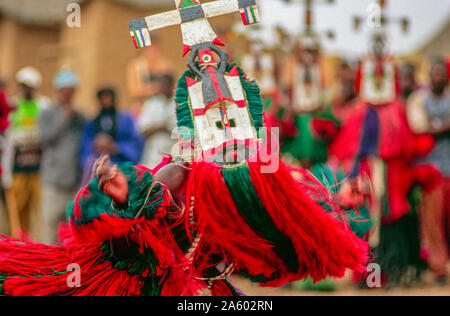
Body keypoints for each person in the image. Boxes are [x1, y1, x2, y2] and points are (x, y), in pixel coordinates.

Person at [407, 58, 450, 284]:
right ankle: (439, 267)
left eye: (442, 73)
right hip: (431, 172)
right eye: (435, 73)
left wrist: (436, 127)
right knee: (433, 224)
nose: (438, 77)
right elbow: (420, 127)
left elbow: (431, 128)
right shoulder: (419, 100)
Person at [1, 67, 50, 238]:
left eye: (28, 86)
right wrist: (6, 171)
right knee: (17, 213)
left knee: (40, 213)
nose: (25, 89)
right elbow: (7, 140)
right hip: (18, 168)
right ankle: (19, 249)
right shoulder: (13, 106)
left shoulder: (44, 106)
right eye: (22, 85)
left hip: (39, 170)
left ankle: (39, 247)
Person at [39, 70, 85, 244]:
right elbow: (45, 137)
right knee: (49, 225)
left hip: (73, 181)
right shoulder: (47, 113)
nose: (67, 94)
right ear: (58, 91)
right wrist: (63, 119)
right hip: (53, 180)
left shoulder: (79, 116)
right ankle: (45, 267)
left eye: (70, 90)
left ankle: (63, 269)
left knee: (69, 229)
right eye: (64, 90)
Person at [80, 87, 143, 182]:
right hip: (98, 172)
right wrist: (96, 144)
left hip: (122, 170)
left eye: (109, 98)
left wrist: (115, 147)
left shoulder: (125, 120)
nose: (106, 101)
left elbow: (135, 143)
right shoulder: (91, 123)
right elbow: (85, 148)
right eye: (103, 98)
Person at [126, 36, 174, 115]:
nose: (152, 51)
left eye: (155, 47)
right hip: (143, 109)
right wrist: (153, 89)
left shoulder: (165, 65)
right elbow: (134, 92)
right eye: (149, 47)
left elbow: (171, 86)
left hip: (163, 108)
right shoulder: (136, 66)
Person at [136, 75, 176, 169]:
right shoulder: (151, 104)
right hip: (153, 155)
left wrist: (164, 128)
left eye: (165, 85)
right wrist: (161, 127)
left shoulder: (180, 103)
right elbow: (142, 130)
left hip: (174, 153)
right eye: (161, 85)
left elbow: (184, 132)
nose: (162, 88)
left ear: (171, 85)